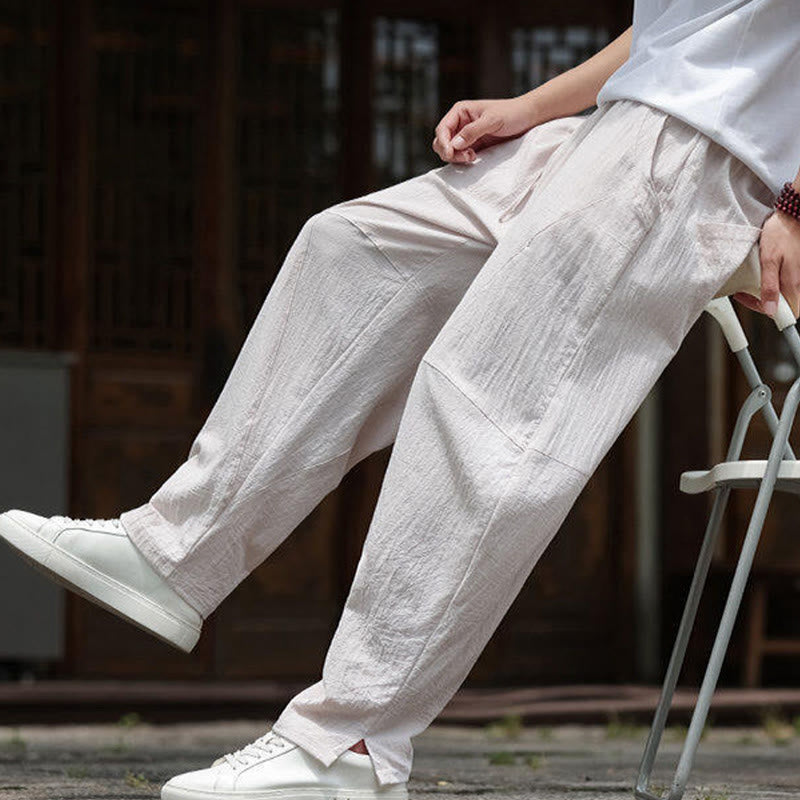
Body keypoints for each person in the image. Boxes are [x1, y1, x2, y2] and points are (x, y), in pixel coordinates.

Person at [1, 1, 799, 798]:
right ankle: (176, 551)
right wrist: (531, 106)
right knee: (355, 255)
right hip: (619, 126)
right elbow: (676, 28)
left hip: (701, 157)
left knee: (492, 409)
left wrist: (795, 205)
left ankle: (349, 744)